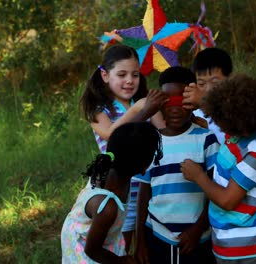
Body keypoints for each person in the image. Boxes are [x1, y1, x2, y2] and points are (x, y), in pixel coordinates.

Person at [181, 73, 256, 264]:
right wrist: (205, 102)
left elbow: (227, 201)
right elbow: (233, 106)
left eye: (223, 126)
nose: (221, 129)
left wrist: (199, 176)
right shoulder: (255, 117)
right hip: (228, 236)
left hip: (243, 246)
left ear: (242, 131)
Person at [80, 44, 168, 251]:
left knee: (144, 242)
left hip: (148, 185)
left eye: (135, 74)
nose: (129, 80)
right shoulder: (99, 109)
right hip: (116, 187)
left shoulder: (143, 102)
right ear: (104, 75)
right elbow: (111, 136)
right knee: (119, 243)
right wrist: (140, 110)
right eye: (122, 74)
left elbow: (163, 131)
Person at [134, 66, 220, 264]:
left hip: (198, 238)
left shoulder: (206, 139)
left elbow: (216, 189)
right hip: (156, 235)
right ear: (159, 104)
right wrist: (140, 241)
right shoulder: (150, 142)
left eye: (181, 100)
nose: (174, 108)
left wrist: (199, 228)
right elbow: (144, 192)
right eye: (168, 101)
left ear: (193, 101)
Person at [61, 122, 164, 264]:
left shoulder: (111, 166)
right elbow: (92, 250)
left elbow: (128, 138)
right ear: (143, 167)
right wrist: (123, 261)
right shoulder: (107, 207)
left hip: (92, 237)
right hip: (87, 252)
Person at [182, 47, 233, 144]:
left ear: (230, 79)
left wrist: (204, 103)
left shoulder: (240, 107)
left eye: (215, 83)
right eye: (201, 84)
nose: (208, 89)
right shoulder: (194, 115)